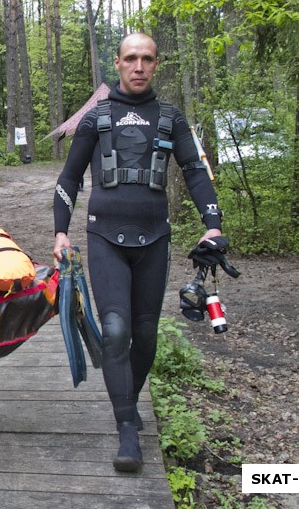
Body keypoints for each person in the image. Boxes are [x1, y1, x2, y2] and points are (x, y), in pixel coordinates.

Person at [52, 33, 224, 472]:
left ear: (157, 64)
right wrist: (60, 233)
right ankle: (126, 426)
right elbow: (69, 179)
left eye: (147, 59)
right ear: (118, 62)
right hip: (104, 236)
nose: (139, 66)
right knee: (114, 330)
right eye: (131, 58)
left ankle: (127, 399)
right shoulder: (96, 119)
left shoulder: (171, 118)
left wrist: (213, 227)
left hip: (155, 238)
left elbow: (195, 171)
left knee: (145, 334)